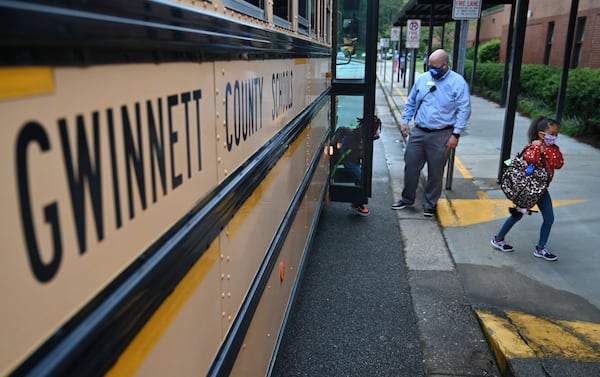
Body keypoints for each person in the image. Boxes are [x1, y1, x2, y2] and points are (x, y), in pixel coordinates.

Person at [391, 49, 471, 217]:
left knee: (435, 172)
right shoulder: (423, 79)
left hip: (442, 133)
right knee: (411, 166)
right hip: (419, 131)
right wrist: (405, 121)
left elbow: (464, 110)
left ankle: (430, 204)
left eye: (436, 67)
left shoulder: (457, 83)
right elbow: (411, 101)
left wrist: (455, 134)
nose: (432, 70)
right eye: (430, 66)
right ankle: (407, 199)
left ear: (445, 65)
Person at [491, 116, 565, 261]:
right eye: (552, 134)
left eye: (556, 134)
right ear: (541, 134)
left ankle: (540, 247)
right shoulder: (533, 147)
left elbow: (559, 163)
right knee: (517, 214)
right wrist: (539, 149)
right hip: (528, 190)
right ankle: (498, 239)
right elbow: (528, 160)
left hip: (541, 190)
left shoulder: (554, 149)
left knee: (549, 218)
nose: (554, 137)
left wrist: (548, 152)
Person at [331, 116, 381, 217]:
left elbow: (375, 136)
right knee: (360, 178)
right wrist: (334, 143)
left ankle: (356, 202)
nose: (376, 130)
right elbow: (342, 129)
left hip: (354, 160)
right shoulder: (356, 133)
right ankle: (357, 203)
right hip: (349, 160)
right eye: (375, 127)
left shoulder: (365, 133)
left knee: (360, 177)